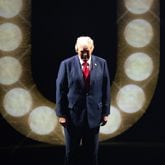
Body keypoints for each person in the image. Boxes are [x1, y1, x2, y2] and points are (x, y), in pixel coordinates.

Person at [55, 36, 110, 165]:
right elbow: (60, 90)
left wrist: (105, 112)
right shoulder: (66, 64)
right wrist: (61, 114)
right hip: (72, 116)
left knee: (92, 154)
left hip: (94, 116)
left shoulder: (102, 63)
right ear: (76, 49)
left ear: (92, 48)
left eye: (87, 50)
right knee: (71, 153)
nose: (85, 53)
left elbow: (105, 88)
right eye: (81, 51)